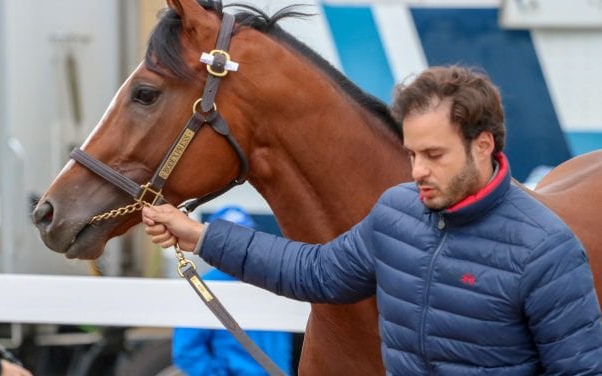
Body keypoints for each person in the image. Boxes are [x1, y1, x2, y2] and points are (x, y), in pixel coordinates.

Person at [143, 65, 602, 374]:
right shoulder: (397, 211)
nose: (417, 170)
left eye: (434, 154)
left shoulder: (547, 250)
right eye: (411, 153)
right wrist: (201, 237)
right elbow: (315, 272)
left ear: (482, 146)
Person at [171, 206, 293, 376]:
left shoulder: (270, 279)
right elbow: (186, 351)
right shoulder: (205, 286)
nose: (237, 246)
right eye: (229, 240)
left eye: (244, 237)